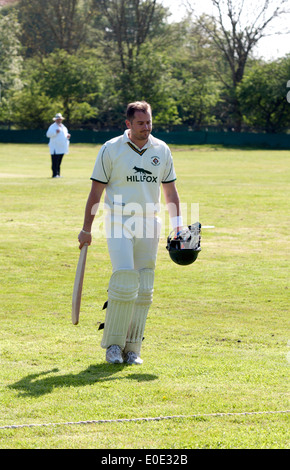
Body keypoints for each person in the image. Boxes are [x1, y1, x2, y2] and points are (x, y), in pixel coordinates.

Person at [78, 101, 183, 365]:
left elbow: (170, 192)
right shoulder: (111, 148)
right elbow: (95, 193)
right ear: (128, 124)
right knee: (124, 279)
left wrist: (178, 226)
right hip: (118, 220)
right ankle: (113, 345)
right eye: (140, 123)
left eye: (148, 122)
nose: (145, 127)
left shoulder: (162, 149)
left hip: (150, 221)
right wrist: (86, 230)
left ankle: (133, 347)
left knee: (144, 287)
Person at [46, 113, 71, 178]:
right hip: (55, 147)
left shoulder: (63, 127)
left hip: (62, 147)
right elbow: (48, 134)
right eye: (58, 119)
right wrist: (55, 132)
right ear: (55, 120)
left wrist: (67, 136)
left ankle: (58, 174)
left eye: (60, 119)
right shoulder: (52, 126)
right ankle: (54, 174)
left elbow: (64, 135)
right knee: (55, 161)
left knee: (59, 162)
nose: (59, 120)